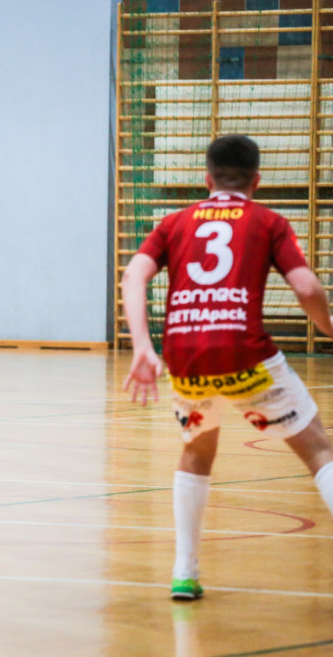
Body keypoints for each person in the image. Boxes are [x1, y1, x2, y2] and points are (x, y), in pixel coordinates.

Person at [122, 134, 333, 601]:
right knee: (318, 450)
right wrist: (328, 326)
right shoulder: (267, 221)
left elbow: (134, 273)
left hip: (188, 359)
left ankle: (184, 572)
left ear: (206, 178)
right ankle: (184, 570)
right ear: (256, 181)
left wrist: (142, 345)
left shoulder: (176, 221)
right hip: (247, 358)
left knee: (197, 452)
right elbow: (305, 285)